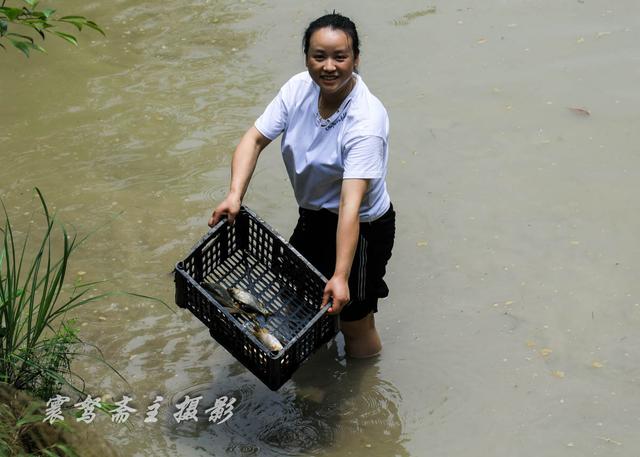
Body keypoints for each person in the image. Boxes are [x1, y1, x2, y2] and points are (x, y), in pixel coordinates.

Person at [209, 13, 395, 358]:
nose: (329, 67)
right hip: (313, 216)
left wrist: (341, 275)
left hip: (362, 227)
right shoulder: (297, 89)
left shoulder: (365, 122)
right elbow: (254, 139)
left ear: (356, 59)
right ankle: (317, 373)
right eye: (319, 56)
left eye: (340, 57)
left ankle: (362, 395)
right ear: (306, 56)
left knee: (354, 318)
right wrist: (234, 195)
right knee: (298, 297)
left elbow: (350, 207)